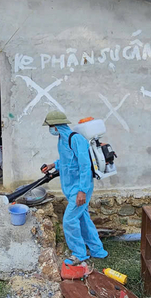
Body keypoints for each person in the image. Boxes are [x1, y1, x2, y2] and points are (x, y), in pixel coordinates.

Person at [41, 111, 108, 264]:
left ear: (57, 126)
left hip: (80, 188)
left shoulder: (75, 139)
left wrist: (82, 191)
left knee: (70, 221)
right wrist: (53, 165)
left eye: (51, 126)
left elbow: (85, 166)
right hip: (71, 188)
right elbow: (67, 160)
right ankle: (98, 250)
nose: (50, 129)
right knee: (83, 219)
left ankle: (79, 253)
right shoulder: (62, 139)